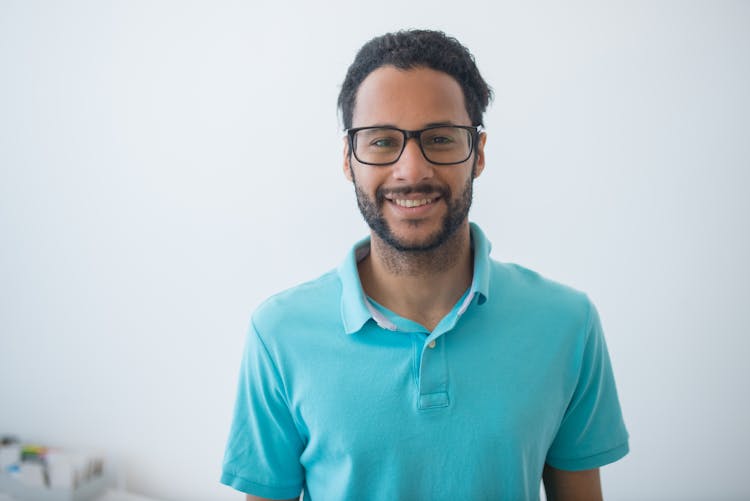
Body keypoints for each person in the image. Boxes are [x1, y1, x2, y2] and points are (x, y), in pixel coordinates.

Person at [221, 29, 629, 501]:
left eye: (439, 138)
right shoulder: (279, 334)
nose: (412, 170)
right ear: (348, 160)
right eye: (380, 141)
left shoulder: (568, 324)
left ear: (478, 154)